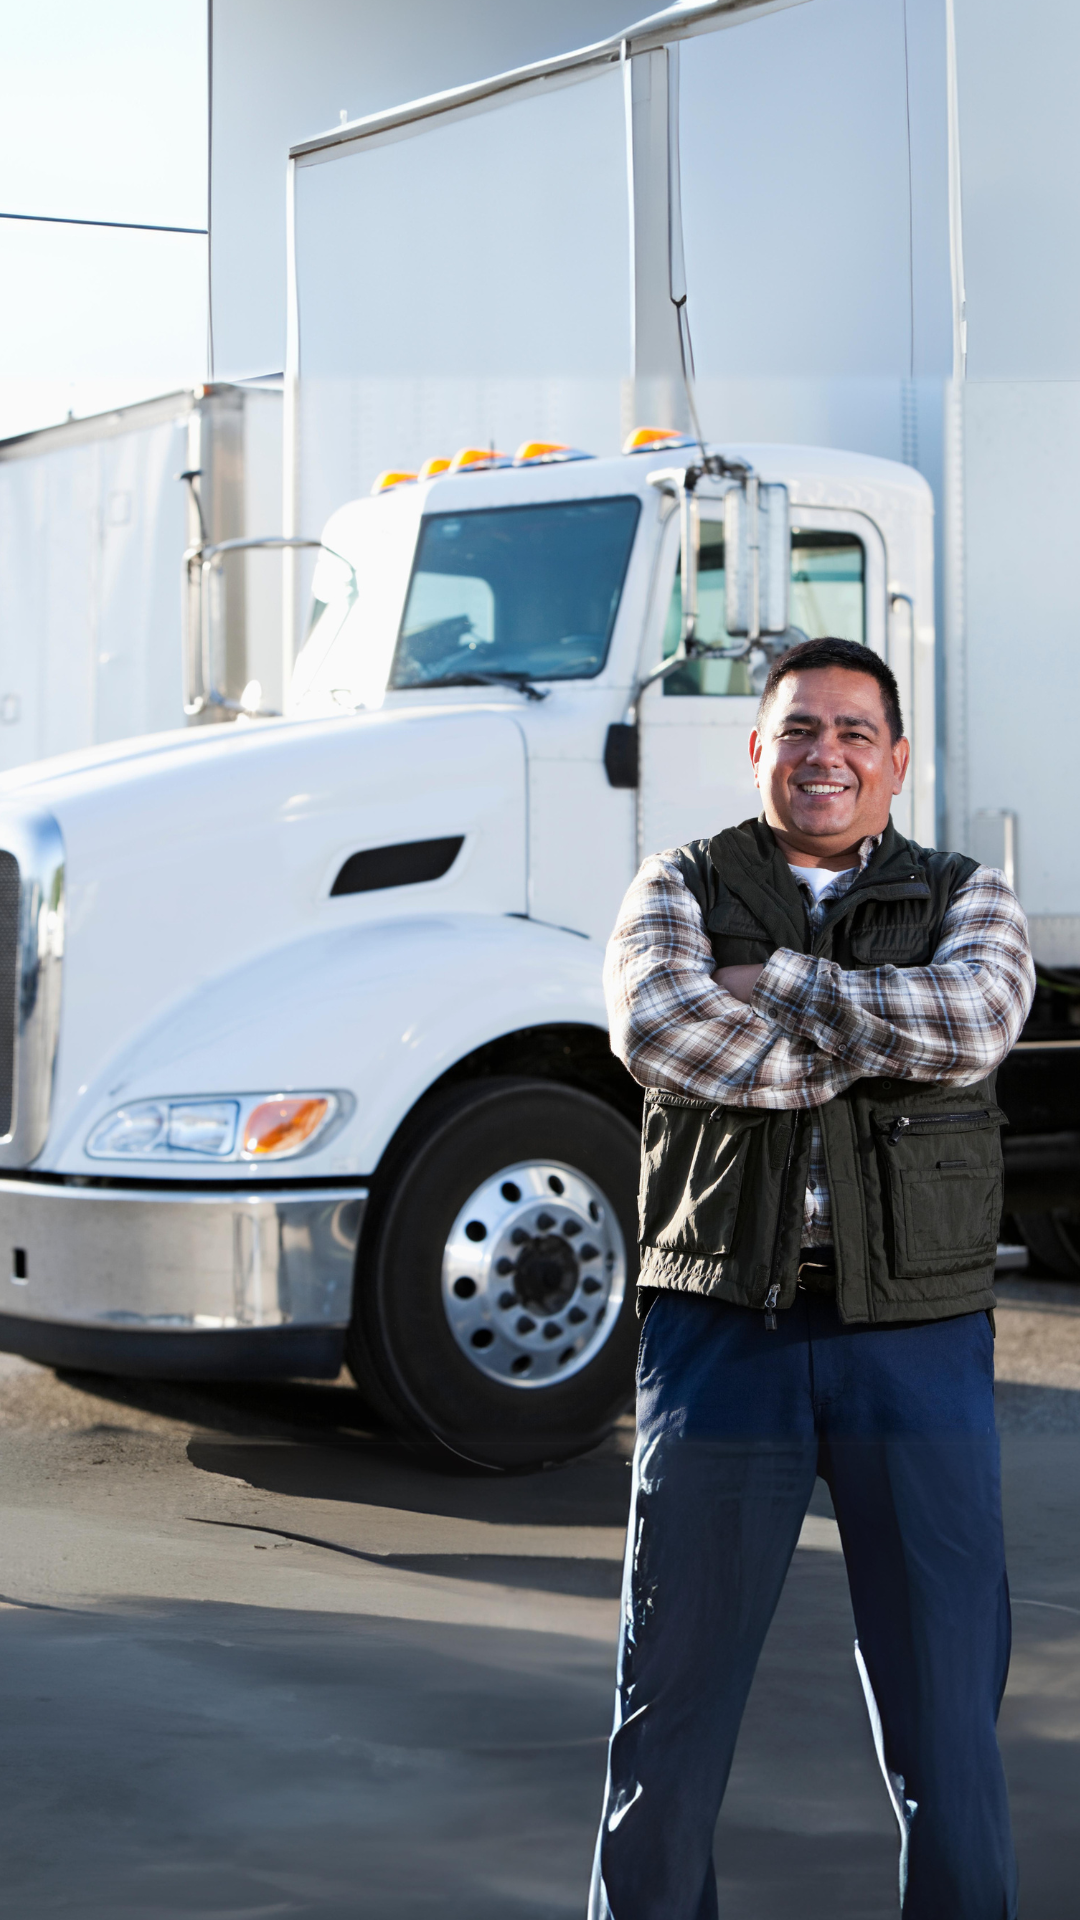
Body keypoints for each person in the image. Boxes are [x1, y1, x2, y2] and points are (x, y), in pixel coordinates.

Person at [590, 636, 1034, 1920]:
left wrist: (779, 986)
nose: (824, 754)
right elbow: (662, 1033)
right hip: (726, 1329)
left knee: (948, 1719)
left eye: (852, 731)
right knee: (668, 1713)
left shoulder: (972, 896)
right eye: (798, 730)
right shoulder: (676, 884)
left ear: (898, 759)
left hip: (917, 1339)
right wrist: (869, 1034)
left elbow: (976, 1024)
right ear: (757, 751)